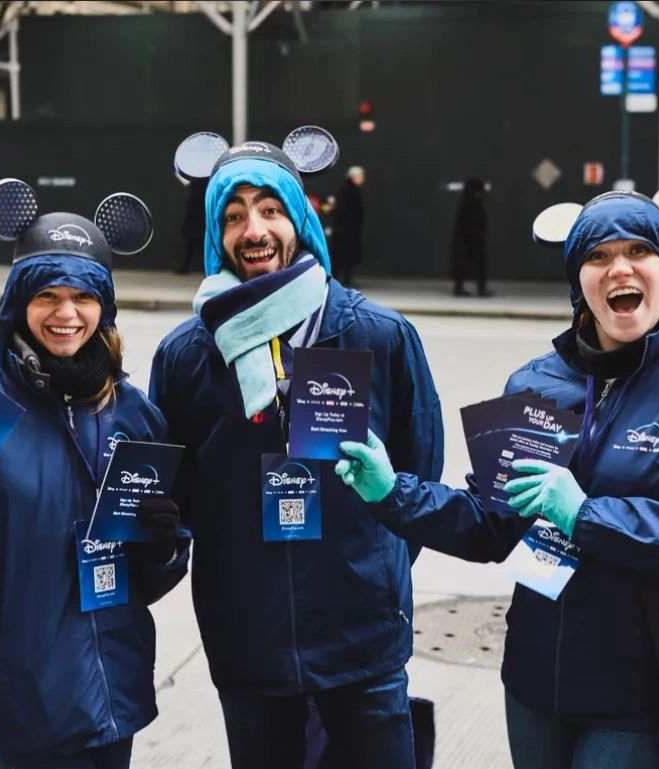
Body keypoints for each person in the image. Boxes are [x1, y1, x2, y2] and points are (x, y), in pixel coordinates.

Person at [334, 186, 659, 769]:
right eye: (597, 256)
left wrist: (585, 513)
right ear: (579, 282)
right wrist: (392, 492)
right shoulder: (537, 384)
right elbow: (492, 524)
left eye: (639, 250)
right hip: (536, 680)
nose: (619, 267)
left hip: (643, 693)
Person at [149, 134, 444, 769]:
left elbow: (419, 472)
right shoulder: (186, 357)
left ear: (300, 219)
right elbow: (179, 496)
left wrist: (370, 569)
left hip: (362, 636)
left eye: (270, 209)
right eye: (232, 215)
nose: (253, 230)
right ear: (215, 234)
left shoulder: (378, 335)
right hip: (247, 641)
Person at [0, 181, 188, 769]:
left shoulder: (134, 414)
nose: (66, 313)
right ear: (16, 305)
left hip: (110, 702)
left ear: (105, 306)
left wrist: (161, 547)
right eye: (46, 294)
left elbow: (151, 579)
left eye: (83, 295)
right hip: (16, 709)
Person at [451, 177, 490, 297]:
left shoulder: (468, 204)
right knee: (468, 264)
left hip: (469, 239)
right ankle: (477, 289)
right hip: (468, 239)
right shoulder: (470, 205)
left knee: (470, 264)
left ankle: (477, 288)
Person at [329, 165, 365, 288]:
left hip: (348, 230)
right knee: (342, 256)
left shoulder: (350, 191)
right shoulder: (348, 192)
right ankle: (339, 279)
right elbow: (344, 212)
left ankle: (344, 279)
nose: (362, 179)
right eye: (360, 176)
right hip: (345, 231)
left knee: (345, 257)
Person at [175, 175, 207, 274]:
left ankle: (206, 267)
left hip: (199, 220)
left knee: (201, 245)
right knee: (189, 244)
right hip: (193, 220)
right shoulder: (193, 187)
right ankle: (184, 267)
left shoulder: (201, 186)